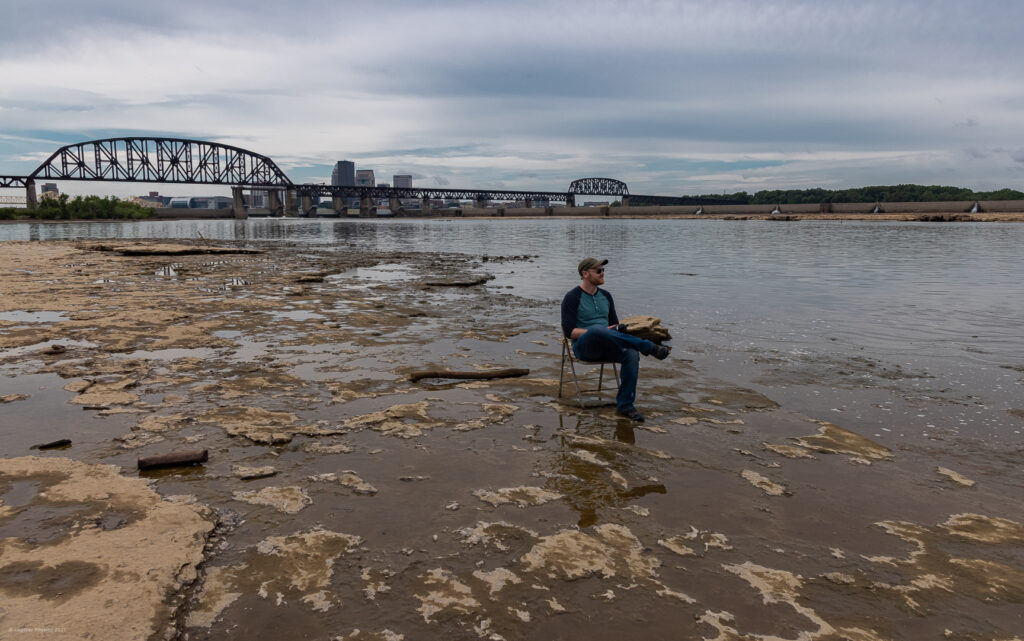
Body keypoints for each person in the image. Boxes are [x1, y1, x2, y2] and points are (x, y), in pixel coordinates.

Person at [561, 257, 670, 422]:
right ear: (585, 274)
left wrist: (616, 329)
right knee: (597, 329)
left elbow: (615, 327)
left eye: (603, 270)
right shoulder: (572, 297)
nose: (602, 273)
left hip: (607, 345)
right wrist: (598, 331)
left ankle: (625, 406)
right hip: (585, 348)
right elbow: (569, 332)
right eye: (598, 271)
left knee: (631, 353)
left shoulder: (606, 296)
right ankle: (649, 347)